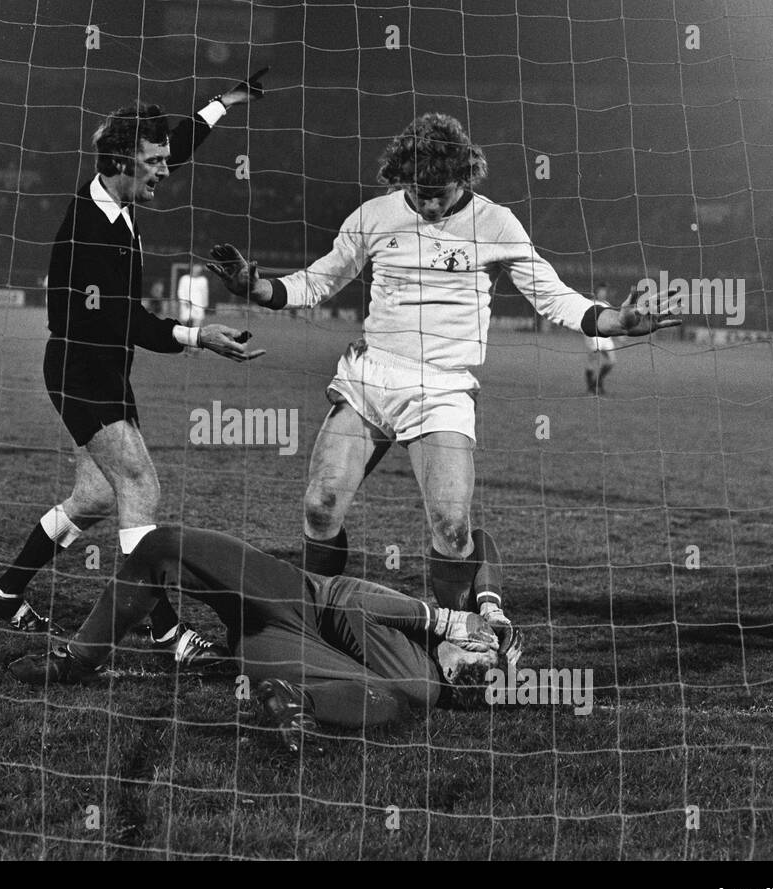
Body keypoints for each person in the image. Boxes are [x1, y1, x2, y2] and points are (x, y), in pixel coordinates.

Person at [208, 112, 680, 633]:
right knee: (320, 507)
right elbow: (317, 282)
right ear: (401, 178)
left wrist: (615, 319)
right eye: (419, 191)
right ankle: (318, 626)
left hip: (444, 386)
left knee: (453, 528)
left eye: (441, 192)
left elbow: (552, 296)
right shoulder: (373, 216)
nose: (430, 204)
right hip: (372, 376)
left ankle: (455, 635)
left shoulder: (495, 223)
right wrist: (257, 290)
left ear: (466, 176)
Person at [0, 72, 269, 658]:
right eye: (153, 163)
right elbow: (126, 321)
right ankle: (165, 628)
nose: (166, 171)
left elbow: (175, 145)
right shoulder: (91, 232)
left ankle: (5, 592)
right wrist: (199, 336)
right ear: (120, 163)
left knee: (92, 498)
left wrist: (222, 104)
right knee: (140, 484)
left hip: (105, 370)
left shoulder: (118, 191)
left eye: (164, 161)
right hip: (81, 371)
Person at [6, 526, 522, 753]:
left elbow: (346, 602)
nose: (480, 646)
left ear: (460, 671)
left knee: (387, 698)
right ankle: (78, 659)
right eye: (483, 649)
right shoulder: (452, 635)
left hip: (289, 634)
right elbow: (479, 538)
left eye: (476, 657)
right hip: (286, 599)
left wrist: (444, 622)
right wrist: (490, 608)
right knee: (160, 545)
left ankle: (300, 702)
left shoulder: (429, 677)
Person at [585, 282, 617, 394]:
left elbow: (613, 321)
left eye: (604, 291)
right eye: (601, 291)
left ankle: (597, 382)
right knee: (592, 361)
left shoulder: (607, 304)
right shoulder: (589, 304)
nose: (603, 293)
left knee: (612, 361)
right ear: (596, 292)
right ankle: (590, 387)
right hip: (594, 335)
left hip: (606, 337)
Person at [176, 262, 210, 327]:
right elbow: (180, 291)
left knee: (197, 326)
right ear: (192, 267)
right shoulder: (184, 278)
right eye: (196, 266)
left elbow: (205, 293)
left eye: (199, 267)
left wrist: (205, 304)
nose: (197, 269)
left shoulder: (203, 280)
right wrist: (184, 301)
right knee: (184, 326)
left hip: (199, 306)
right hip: (186, 305)